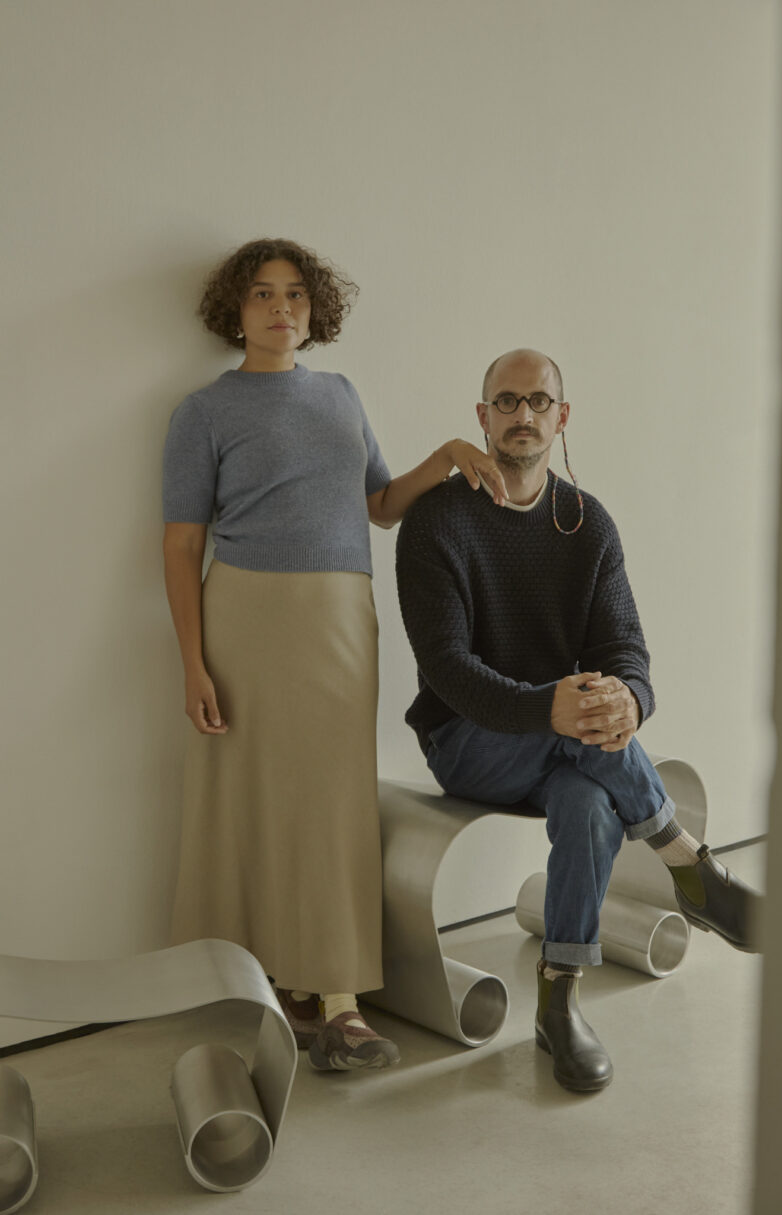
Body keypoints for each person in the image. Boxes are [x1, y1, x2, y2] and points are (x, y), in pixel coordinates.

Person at [161, 238, 507, 1072]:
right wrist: (194, 665)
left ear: (315, 311)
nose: (281, 310)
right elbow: (180, 548)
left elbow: (382, 506)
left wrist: (450, 457)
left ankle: (342, 1001)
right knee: (244, 800)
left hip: (342, 617)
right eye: (262, 296)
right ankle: (259, 985)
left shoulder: (343, 396)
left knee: (334, 803)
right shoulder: (203, 411)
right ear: (233, 311)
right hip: (244, 617)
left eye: (295, 296)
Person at [395, 347, 761, 1093]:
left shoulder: (588, 523)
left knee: (589, 800)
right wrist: (546, 706)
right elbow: (446, 668)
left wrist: (629, 698)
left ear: (562, 417)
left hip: (573, 746)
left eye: (537, 401)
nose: (521, 414)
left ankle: (558, 1003)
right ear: (482, 415)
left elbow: (625, 649)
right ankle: (691, 865)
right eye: (506, 401)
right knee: (577, 731)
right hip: (466, 738)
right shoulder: (437, 519)